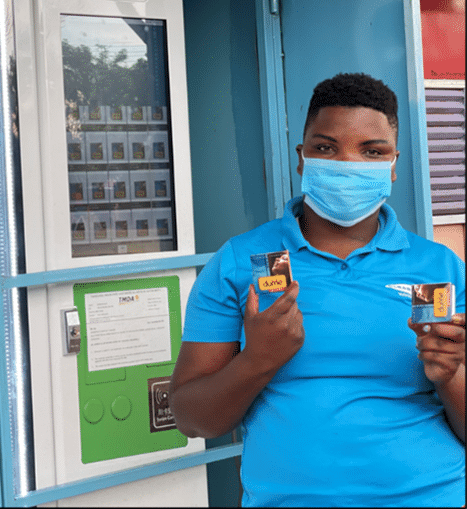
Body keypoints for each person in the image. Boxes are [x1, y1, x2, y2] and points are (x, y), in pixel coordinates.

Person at [170, 73, 465, 507]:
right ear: (302, 158)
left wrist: (452, 375)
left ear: (394, 164)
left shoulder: (435, 268)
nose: (349, 164)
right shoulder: (242, 261)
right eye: (326, 147)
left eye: (372, 151)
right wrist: (257, 361)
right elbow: (192, 419)